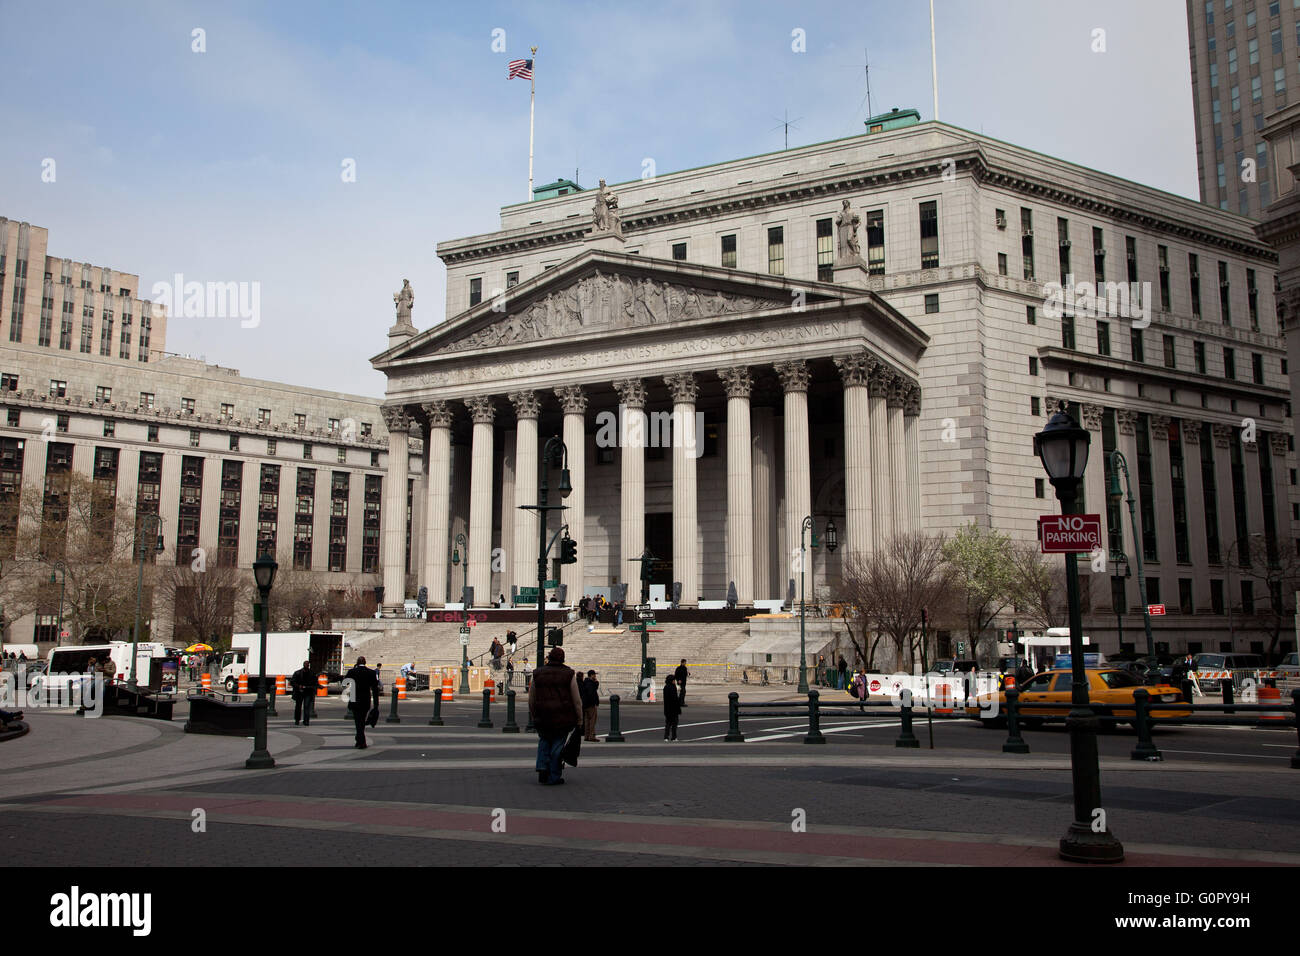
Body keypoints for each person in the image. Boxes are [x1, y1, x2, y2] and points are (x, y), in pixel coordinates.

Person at [528, 647, 582, 785]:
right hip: (562, 718)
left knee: (544, 741)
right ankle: (554, 775)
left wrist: (534, 714)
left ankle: (542, 767)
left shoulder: (538, 673)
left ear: (549, 657)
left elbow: (532, 698)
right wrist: (579, 718)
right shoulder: (568, 674)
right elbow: (576, 700)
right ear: (562, 658)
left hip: (543, 716)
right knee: (557, 745)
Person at [343, 656, 381, 749]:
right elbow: (375, 689)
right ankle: (359, 739)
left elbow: (345, 683)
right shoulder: (371, 673)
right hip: (365, 699)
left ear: (357, 662)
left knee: (358, 720)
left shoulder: (352, 672)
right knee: (362, 720)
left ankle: (361, 741)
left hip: (354, 698)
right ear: (365, 662)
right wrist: (376, 704)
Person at [290, 659, 317, 726]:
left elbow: (315, 682)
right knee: (298, 707)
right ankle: (297, 720)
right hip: (300, 692)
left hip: (308, 692)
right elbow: (292, 682)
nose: (307, 666)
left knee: (306, 706)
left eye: (308, 665)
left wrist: (316, 687)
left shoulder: (312, 673)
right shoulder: (298, 673)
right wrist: (299, 686)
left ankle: (306, 721)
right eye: (306, 664)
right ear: (303, 665)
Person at [580, 669, 601, 742]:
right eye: (594, 674)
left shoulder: (585, 682)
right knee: (592, 720)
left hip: (585, 704)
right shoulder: (590, 683)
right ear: (591, 675)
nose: (595, 676)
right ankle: (591, 736)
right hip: (590, 704)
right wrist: (594, 702)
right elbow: (592, 693)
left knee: (586, 721)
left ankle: (586, 736)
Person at [663, 674, 681, 741]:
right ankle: (672, 737)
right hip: (672, 708)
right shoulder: (671, 687)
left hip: (669, 709)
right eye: (673, 680)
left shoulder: (667, 687)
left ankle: (668, 737)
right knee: (673, 724)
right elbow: (674, 699)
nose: (674, 681)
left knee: (669, 724)